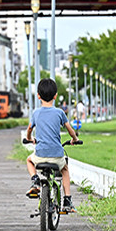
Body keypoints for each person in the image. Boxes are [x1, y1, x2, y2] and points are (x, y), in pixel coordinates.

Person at [25, 78, 81, 211]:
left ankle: (35, 181)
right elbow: (70, 130)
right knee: (65, 169)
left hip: (40, 156)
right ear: (55, 96)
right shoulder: (60, 113)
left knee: (29, 160)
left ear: (38, 96)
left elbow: (29, 129)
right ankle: (67, 200)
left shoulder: (36, 113)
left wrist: (29, 138)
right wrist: (74, 139)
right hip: (57, 156)